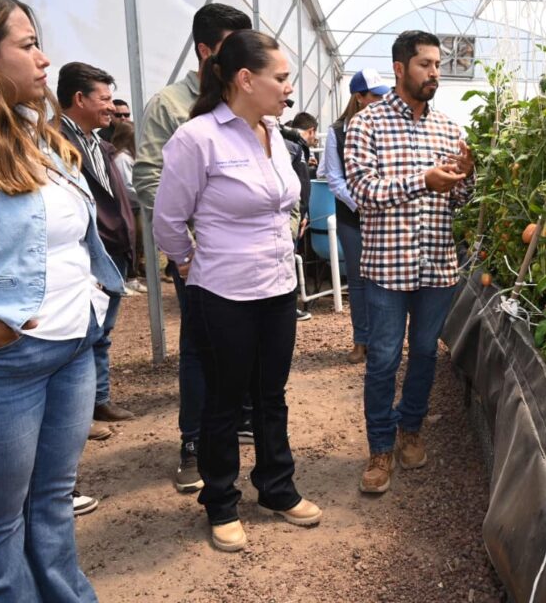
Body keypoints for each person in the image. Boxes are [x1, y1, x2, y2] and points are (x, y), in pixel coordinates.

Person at [0, 0, 124, 600]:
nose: (44, 60)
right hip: (2, 367)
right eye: (29, 45)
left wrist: (89, 287)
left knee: (52, 503)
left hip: (71, 347)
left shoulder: (36, 135)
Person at [153, 29, 322, 552]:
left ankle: (276, 487)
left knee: (270, 395)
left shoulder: (274, 134)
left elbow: (285, 201)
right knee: (225, 400)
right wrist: (188, 264)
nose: (288, 87)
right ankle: (221, 502)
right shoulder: (198, 138)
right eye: (281, 77)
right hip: (222, 290)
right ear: (245, 79)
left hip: (276, 287)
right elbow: (168, 221)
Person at [345, 31, 474, 494]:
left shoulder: (448, 128)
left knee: (423, 354)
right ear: (400, 69)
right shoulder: (368, 125)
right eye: (425, 64)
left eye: (437, 64)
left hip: (437, 265)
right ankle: (379, 449)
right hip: (386, 267)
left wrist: (465, 178)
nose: (434, 72)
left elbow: (459, 198)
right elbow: (363, 192)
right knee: (382, 359)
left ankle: (410, 430)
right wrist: (423, 180)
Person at [132, 3, 252, 493]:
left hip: (245, 258)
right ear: (205, 50)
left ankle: (235, 420)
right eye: (231, 47)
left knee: (246, 341)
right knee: (201, 346)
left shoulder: (244, 101)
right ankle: (194, 441)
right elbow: (147, 176)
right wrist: (188, 242)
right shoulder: (169, 105)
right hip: (198, 256)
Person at [58, 62, 138, 436]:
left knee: (101, 332)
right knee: (81, 334)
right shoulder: (56, 141)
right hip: (90, 252)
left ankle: (97, 400)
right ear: (79, 98)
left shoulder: (97, 143)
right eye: (104, 99)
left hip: (112, 250)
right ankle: (80, 413)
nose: (111, 107)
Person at [318, 68, 389, 364]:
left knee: (383, 280)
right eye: (375, 96)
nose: (381, 101)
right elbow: (334, 178)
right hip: (354, 216)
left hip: (384, 215)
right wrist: (363, 203)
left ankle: (383, 341)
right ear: (359, 98)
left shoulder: (388, 128)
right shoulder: (337, 132)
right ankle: (361, 341)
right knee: (359, 281)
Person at [280, 111, 318, 321]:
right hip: (290, 216)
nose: (315, 139)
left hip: (298, 214)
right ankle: (287, 308)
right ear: (311, 130)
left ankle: (289, 306)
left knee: (291, 256)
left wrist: (303, 214)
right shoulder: (292, 145)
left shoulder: (298, 146)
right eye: (315, 134)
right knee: (286, 258)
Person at [111, 119, 147, 290]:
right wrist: (145, 196)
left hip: (134, 205)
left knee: (138, 241)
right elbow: (127, 186)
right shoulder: (123, 158)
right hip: (129, 206)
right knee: (131, 241)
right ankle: (129, 277)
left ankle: (133, 274)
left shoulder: (128, 156)